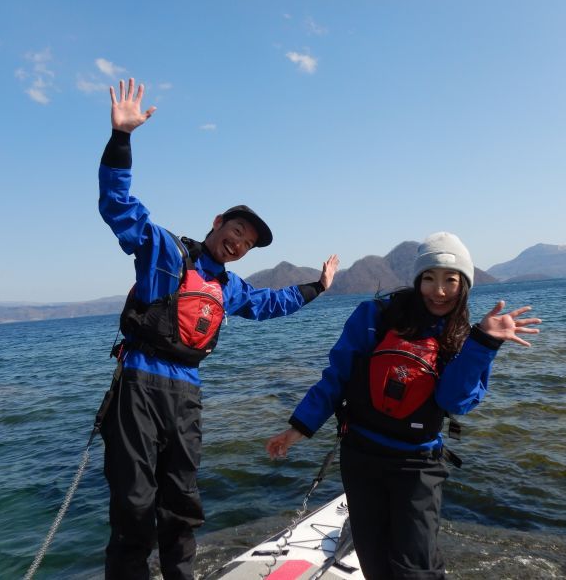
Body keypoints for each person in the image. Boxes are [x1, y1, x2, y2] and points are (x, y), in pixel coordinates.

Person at [98, 78, 339, 580]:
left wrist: (319, 287)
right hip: (139, 383)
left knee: (181, 502)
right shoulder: (166, 252)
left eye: (247, 243)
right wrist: (122, 138)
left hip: (186, 392)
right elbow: (119, 207)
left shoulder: (228, 287)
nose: (238, 244)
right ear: (217, 223)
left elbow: (272, 303)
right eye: (236, 232)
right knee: (134, 504)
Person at [266, 232, 541, 579]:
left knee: (417, 566)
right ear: (416, 280)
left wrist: (483, 344)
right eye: (429, 278)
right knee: (374, 561)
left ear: (465, 285)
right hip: (361, 454)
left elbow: (454, 401)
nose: (438, 291)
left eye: (450, 280)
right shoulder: (374, 315)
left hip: (417, 464)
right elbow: (336, 377)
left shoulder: (464, 337)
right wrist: (298, 429)